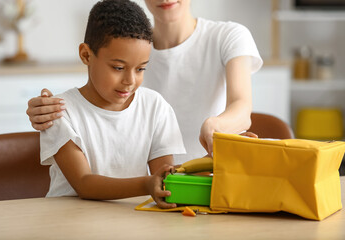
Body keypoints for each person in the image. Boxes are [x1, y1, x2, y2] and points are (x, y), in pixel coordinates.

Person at [27, 0, 263, 164]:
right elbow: (95, 109)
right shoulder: (128, 44)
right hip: (141, 185)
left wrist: (214, 126)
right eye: (120, 68)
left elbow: (242, 108)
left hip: (202, 175)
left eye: (141, 69)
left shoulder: (229, 36)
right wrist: (50, 109)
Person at [40, 0, 186, 209]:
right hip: (70, 221)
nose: (130, 80)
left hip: (132, 220)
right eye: (118, 67)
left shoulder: (156, 107)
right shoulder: (60, 112)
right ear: (86, 55)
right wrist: (146, 183)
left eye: (140, 69)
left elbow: (164, 178)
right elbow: (84, 184)